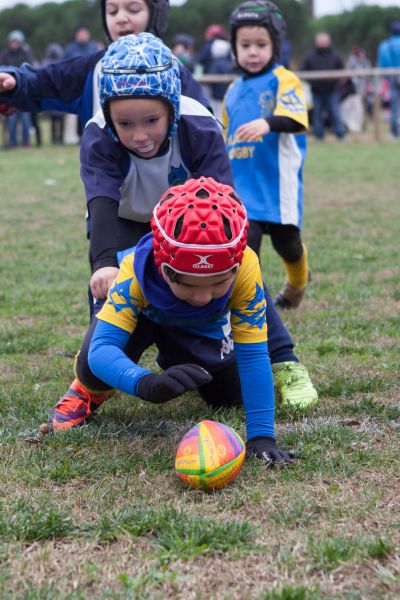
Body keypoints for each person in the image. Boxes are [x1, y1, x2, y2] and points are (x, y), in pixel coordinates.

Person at [0, 6, 317, 409]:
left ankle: (284, 360)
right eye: (125, 124)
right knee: (110, 317)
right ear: (109, 114)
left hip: (187, 221)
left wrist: (229, 252)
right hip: (125, 221)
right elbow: (100, 204)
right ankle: (88, 389)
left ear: (172, 106)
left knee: (241, 270)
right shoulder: (98, 135)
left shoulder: (198, 123)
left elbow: (224, 204)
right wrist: (103, 263)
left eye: (151, 120)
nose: (139, 136)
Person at [47, 175, 297, 466]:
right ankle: (85, 391)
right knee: (93, 368)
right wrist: (147, 384)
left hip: (201, 329)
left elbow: (254, 355)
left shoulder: (245, 267)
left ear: (235, 265)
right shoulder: (135, 269)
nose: (204, 296)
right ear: (162, 267)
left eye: (218, 283)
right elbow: (102, 352)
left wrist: (262, 437)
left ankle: (181, 356)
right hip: (144, 322)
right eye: (188, 285)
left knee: (230, 397)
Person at [223, 1, 310, 312]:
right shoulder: (232, 90)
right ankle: (250, 303)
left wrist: (266, 123)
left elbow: (296, 119)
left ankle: (297, 284)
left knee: (287, 245)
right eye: (245, 45)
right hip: (243, 185)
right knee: (247, 247)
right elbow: (225, 135)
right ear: (234, 47)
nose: (253, 52)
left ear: (275, 45)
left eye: (261, 44)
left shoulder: (283, 78)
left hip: (277, 183)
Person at [0, 0, 210, 129]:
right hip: (108, 197)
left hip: (174, 196)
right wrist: (16, 82)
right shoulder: (91, 69)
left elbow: (204, 125)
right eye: (112, 11)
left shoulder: (172, 69)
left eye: (134, 9)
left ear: (157, 15)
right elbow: (45, 82)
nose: (120, 18)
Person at [302, 31, 345, 140]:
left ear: (328, 41)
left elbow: (343, 71)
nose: (322, 43)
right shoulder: (310, 56)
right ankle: (319, 136)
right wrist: (311, 82)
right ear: (316, 42)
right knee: (317, 115)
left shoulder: (336, 55)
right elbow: (303, 71)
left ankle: (340, 135)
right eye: (320, 41)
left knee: (335, 113)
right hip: (316, 91)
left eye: (324, 41)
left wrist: (337, 84)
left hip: (332, 91)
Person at [0, 30, 33, 148]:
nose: (14, 44)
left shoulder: (26, 54)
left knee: (25, 120)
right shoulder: (4, 55)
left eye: (16, 42)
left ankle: (26, 143)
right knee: (11, 120)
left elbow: (29, 70)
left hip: (24, 92)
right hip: (9, 94)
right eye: (12, 42)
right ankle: (12, 143)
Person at [197, 24, 235, 121]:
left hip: (211, 80)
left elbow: (201, 59)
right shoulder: (228, 44)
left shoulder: (210, 45)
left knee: (213, 106)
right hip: (226, 80)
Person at [377, 20, 400, 139]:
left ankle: (394, 133)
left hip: (392, 77)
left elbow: (382, 64)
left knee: (394, 106)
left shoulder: (385, 45)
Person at [41, 43, 65, 144]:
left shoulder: (62, 63)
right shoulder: (47, 63)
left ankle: (58, 138)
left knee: (58, 118)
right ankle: (56, 138)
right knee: (55, 118)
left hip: (59, 94)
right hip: (54, 94)